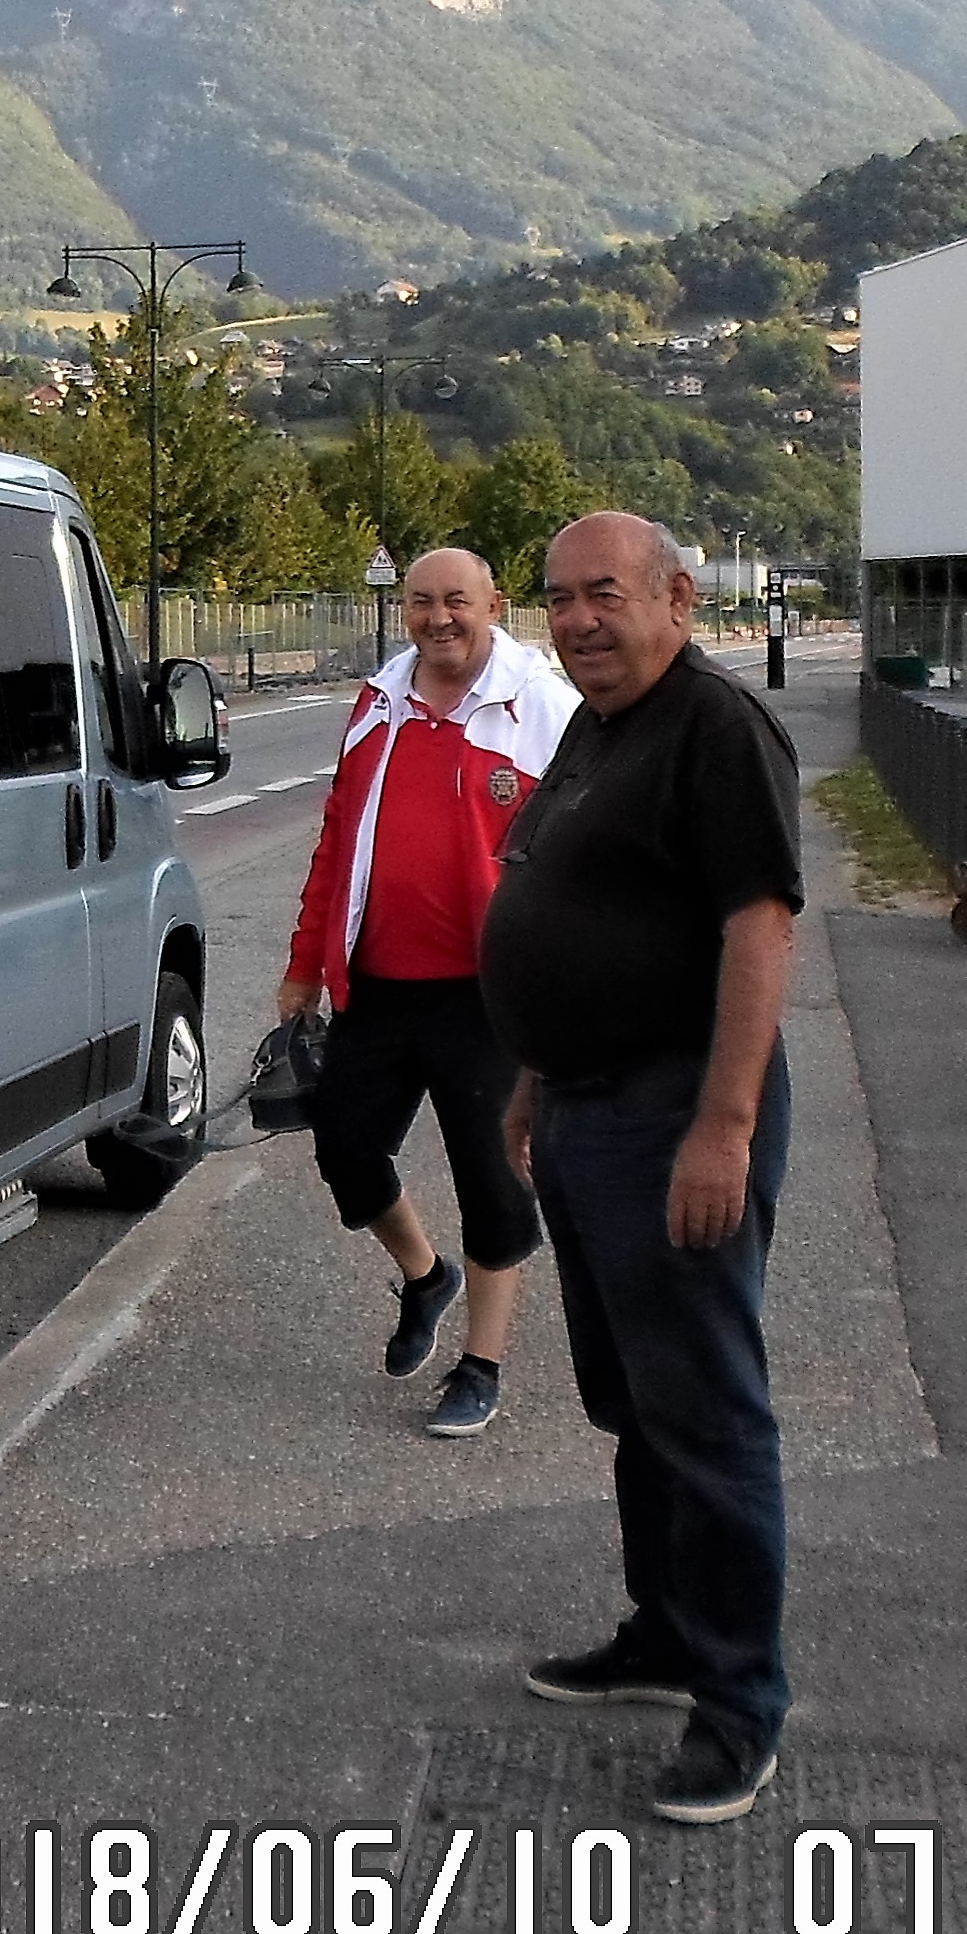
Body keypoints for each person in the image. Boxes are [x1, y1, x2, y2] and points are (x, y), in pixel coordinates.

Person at [485, 512, 801, 1827]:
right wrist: (531, 1074)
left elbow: (756, 932)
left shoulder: (718, 729)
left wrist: (720, 1127)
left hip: (674, 1111)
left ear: (675, 595)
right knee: (632, 1400)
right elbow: (566, 899)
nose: (573, 621)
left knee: (706, 1412)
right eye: (555, 599)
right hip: (583, 1110)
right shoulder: (594, 726)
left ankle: (738, 1705)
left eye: (600, 595)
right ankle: (663, 1630)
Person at [279, 547, 577, 1438]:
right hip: (375, 984)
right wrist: (304, 965)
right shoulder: (377, 706)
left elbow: (580, 859)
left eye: (457, 601)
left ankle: (480, 1363)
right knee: (344, 1151)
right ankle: (424, 1275)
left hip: (489, 997)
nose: (438, 617)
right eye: (421, 602)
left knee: (493, 1178)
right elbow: (338, 841)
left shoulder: (544, 711)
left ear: (495, 604)